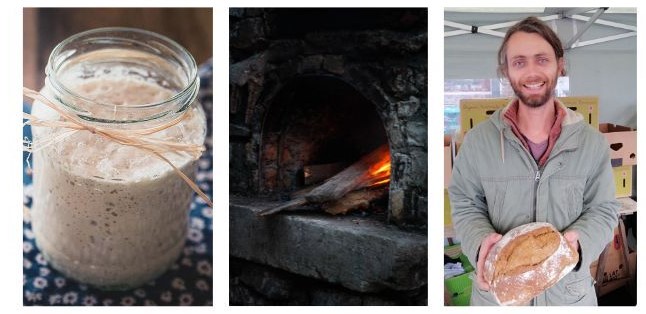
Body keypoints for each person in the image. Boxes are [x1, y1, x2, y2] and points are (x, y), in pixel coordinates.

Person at [448, 16, 619, 306]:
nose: (531, 72)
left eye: (542, 60)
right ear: (506, 71)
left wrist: (581, 243)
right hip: (498, 298)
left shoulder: (590, 143)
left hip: (569, 297)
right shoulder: (478, 141)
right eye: (519, 62)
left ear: (560, 64)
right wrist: (480, 245)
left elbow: (603, 209)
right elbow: (465, 204)